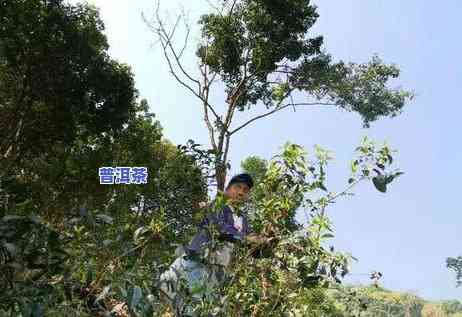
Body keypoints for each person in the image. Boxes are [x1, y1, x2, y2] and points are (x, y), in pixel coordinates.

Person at [158, 173, 268, 316]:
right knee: (164, 287)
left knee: (197, 308)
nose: (241, 192)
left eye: (246, 190)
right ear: (228, 190)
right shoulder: (218, 205)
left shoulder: (243, 220)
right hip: (196, 261)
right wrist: (247, 239)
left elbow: (254, 248)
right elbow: (220, 229)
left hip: (217, 271)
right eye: (238, 187)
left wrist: (265, 243)